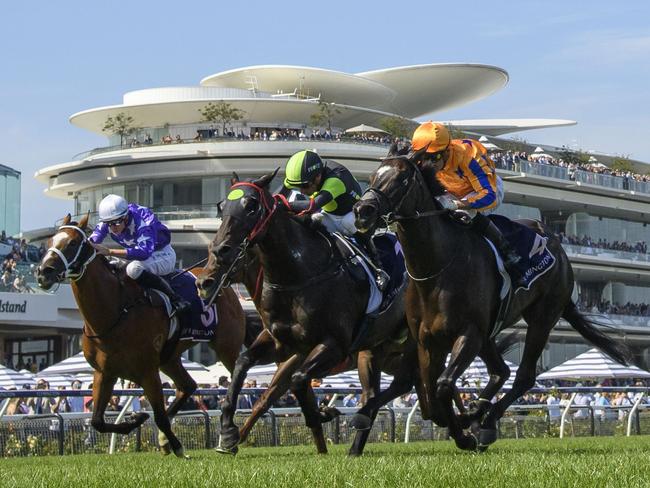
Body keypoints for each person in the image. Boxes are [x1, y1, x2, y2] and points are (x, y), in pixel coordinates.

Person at [410, 122, 525, 289]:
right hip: (452, 190)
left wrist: (461, 204)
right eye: (423, 157)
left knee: (464, 214)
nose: (428, 163)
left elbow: (488, 195)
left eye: (433, 158)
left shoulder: (469, 156)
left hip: (486, 190)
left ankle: (507, 253)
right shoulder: (424, 159)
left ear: (447, 150)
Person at [280, 150, 389, 290]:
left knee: (352, 224)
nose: (301, 191)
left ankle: (378, 269)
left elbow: (312, 205)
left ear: (318, 176)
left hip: (350, 214)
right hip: (329, 214)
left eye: (305, 186)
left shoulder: (336, 178)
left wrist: (281, 205)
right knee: (308, 222)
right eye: (298, 186)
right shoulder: (306, 175)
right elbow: (280, 195)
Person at [89, 194, 190, 315]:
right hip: (137, 257)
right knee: (111, 264)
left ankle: (176, 299)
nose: (113, 227)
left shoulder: (142, 219)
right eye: (109, 223)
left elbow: (143, 252)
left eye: (116, 222)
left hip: (162, 254)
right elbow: (91, 243)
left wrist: (110, 251)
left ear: (126, 217)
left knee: (133, 269)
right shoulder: (110, 220)